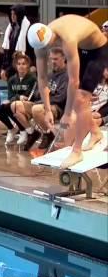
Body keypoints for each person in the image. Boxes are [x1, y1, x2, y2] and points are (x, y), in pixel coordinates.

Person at [28, 15, 108, 168]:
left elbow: (73, 81)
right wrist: (47, 110)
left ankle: (77, 151)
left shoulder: (68, 38)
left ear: (52, 37)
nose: (46, 51)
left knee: (80, 99)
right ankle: (95, 132)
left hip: (99, 50)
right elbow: (42, 78)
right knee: (79, 100)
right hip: (83, 47)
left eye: (48, 46)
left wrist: (67, 113)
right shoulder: (39, 46)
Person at [13, 48, 68, 151]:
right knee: (16, 106)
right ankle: (32, 132)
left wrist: (46, 97)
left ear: (64, 58)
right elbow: (38, 94)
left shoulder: (67, 76)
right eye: (51, 59)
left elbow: (60, 98)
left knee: (36, 109)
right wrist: (42, 94)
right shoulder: (49, 75)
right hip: (41, 103)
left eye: (55, 59)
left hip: (57, 107)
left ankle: (49, 134)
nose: (52, 62)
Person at [0, 53, 37, 145]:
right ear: (15, 65)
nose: (21, 66)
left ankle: (23, 130)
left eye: (24, 64)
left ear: (28, 65)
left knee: (13, 106)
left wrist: (16, 98)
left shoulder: (33, 78)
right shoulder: (12, 80)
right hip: (15, 103)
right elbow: (10, 96)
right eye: (19, 64)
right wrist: (18, 97)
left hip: (29, 105)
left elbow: (29, 96)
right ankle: (11, 128)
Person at [1, 4, 31, 79]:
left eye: (15, 14)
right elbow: (7, 50)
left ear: (20, 14)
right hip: (11, 65)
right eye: (11, 14)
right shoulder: (11, 29)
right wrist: (4, 68)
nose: (12, 16)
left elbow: (32, 49)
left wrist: (33, 65)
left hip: (24, 65)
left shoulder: (28, 28)